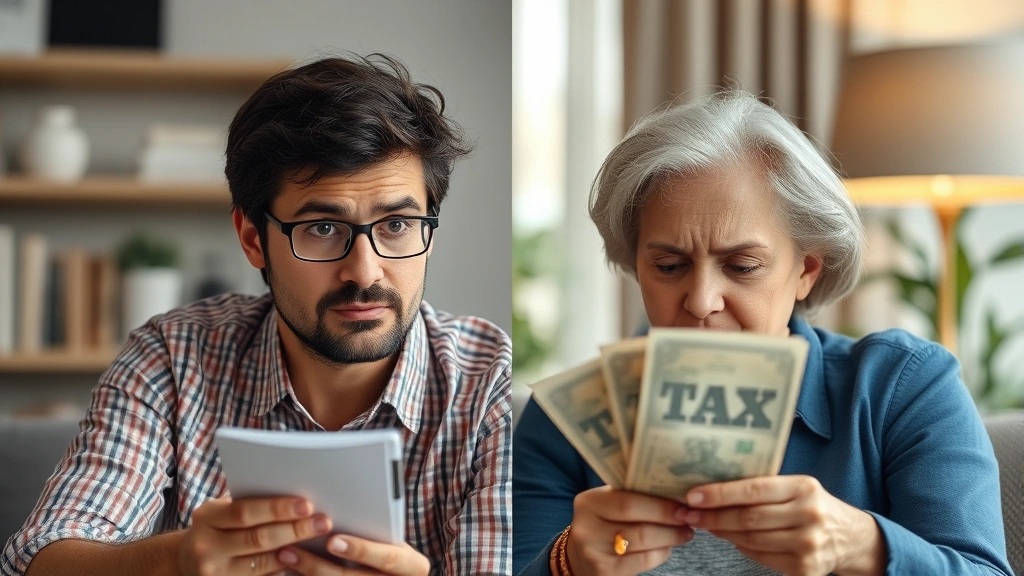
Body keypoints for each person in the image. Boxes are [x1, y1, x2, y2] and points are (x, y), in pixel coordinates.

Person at [3, 54, 511, 576]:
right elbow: (39, 558)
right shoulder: (174, 357)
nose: (365, 272)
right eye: (322, 228)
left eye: (398, 225)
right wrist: (175, 561)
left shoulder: (486, 378)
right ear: (253, 239)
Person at [513, 91, 1012, 576]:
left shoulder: (901, 388)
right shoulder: (565, 421)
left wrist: (861, 544)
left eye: (742, 266)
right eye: (668, 265)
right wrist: (568, 563)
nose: (702, 300)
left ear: (806, 270)